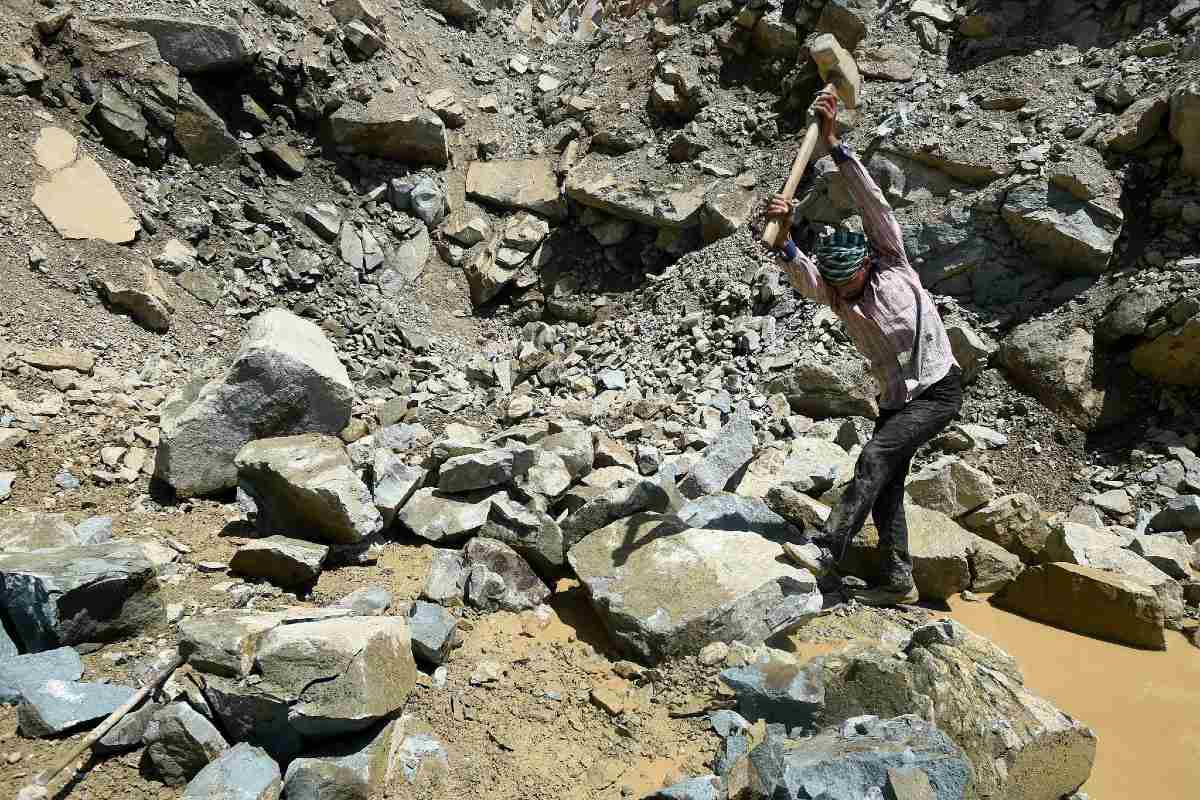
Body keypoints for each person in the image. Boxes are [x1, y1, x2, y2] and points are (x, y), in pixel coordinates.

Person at [766, 90, 963, 607]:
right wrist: (784, 236)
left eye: (851, 281)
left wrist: (834, 145)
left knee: (874, 456)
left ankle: (827, 548)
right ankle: (898, 581)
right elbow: (801, 270)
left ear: (866, 266)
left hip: (938, 389)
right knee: (886, 489)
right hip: (896, 400)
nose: (846, 291)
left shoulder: (892, 262)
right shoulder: (836, 294)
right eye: (838, 285)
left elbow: (872, 204)